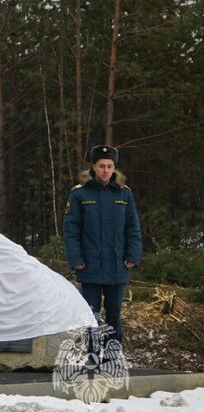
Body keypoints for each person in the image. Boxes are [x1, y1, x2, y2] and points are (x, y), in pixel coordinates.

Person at [63, 145, 141, 349]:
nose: (106, 170)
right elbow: (71, 231)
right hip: (90, 266)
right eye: (102, 166)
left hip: (117, 265)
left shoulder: (125, 194)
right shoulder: (79, 195)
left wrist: (132, 256)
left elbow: (133, 228)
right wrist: (76, 260)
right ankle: (92, 353)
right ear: (94, 167)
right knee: (91, 313)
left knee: (114, 313)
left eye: (110, 166)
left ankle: (113, 353)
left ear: (114, 168)